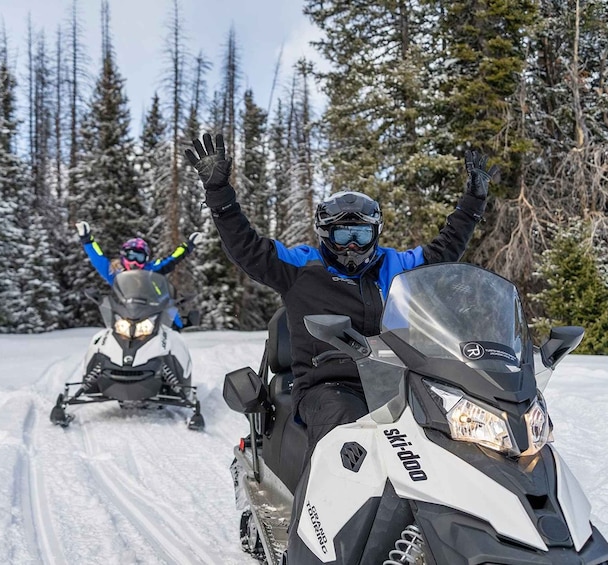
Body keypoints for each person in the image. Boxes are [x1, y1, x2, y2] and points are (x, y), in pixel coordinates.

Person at [185, 132, 497, 558]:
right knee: (347, 433)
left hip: (398, 382)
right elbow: (248, 249)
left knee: (460, 430)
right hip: (327, 386)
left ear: (375, 234)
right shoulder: (301, 266)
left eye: (361, 235)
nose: (352, 246)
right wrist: (219, 194)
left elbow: (445, 250)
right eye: (342, 235)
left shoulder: (395, 265)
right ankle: (312, 543)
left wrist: (473, 203)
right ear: (325, 234)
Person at [75, 221, 201, 329]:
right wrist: (86, 238)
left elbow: (172, 259)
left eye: (139, 257)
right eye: (131, 256)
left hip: (153, 314)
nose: (134, 262)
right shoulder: (114, 272)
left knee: (172, 315)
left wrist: (188, 246)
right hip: (124, 316)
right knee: (104, 340)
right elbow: (97, 257)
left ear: (145, 259)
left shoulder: (151, 269)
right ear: (123, 255)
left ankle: (177, 329)